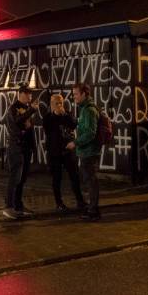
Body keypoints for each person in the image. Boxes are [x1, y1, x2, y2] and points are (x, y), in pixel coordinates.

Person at [43, 94, 86, 213]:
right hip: (54, 152)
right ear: (51, 105)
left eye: (60, 103)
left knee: (74, 176)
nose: (59, 105)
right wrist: (56, 115)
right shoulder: (47, 118)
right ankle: (59, 203)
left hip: (68, 151)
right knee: (57, 178)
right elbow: (47, 129)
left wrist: (64, 115)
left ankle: (80, 201)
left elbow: (73, 125)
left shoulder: (67, 115)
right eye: (56, 103)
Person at [4, 83, 39, 219]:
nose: (30, 97)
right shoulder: (14, 109)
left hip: (26, 147)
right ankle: (9, 206)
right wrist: (31, 111)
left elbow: (29, 128)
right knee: (15, 177)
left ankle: (18, 205)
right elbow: (18, 122)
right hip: (16, 147)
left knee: (22, 178)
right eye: (29, 94)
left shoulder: (26, 108)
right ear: (22, 94)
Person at [67, 83, 102, 221]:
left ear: (84, 94)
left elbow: (90, 133)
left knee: (91, 181)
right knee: (90, 180)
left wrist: (75, 143)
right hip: (87, 151)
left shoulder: (88, 110)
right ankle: (93, 208)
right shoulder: (84, 109)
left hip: (89, 152)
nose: (73, 96)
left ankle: (93, 211)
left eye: (76, 94)